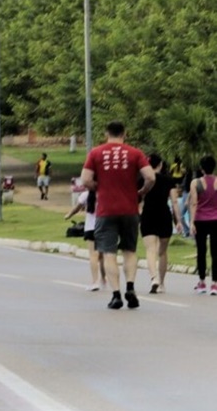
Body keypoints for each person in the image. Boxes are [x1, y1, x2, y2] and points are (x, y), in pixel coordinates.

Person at [81, 120, 155, 310]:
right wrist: (142, 191)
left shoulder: (96, 153)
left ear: (107, 134)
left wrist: (98, 187)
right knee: (129, 250)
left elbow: (85, 179)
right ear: (125, 134)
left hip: (106, 210)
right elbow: (150, 176)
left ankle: (116, 295)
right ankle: (130, 287)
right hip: (130, 209)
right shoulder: (135, 153)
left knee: (109, 253)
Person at [140, 153, 181, 294]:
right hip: (164, 215)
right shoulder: (168, 180)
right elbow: (174, 202)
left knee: (150, 249)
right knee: (162, 251)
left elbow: (139, 198)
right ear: (161, 165)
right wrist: (178, 221)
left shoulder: (143, 180)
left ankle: (154, 278)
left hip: (148, 215)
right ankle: (162, 283)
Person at [64, 187, 106, 291]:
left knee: (93, 255)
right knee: (102, 255)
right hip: (104, 227)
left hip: (91, 228)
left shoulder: (85, 195)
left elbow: (77, 208)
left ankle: (95, 282)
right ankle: (103, 278)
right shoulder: (105, 193)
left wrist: (68, 215)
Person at [189, 155, 217, 295]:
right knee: (215, 252)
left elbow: (194, 203)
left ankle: (202, 282)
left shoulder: (195, 183)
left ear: (201, 168)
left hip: (200, 220)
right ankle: (214, 284)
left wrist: (191, 222)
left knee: (201, 251)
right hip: (215, 220)